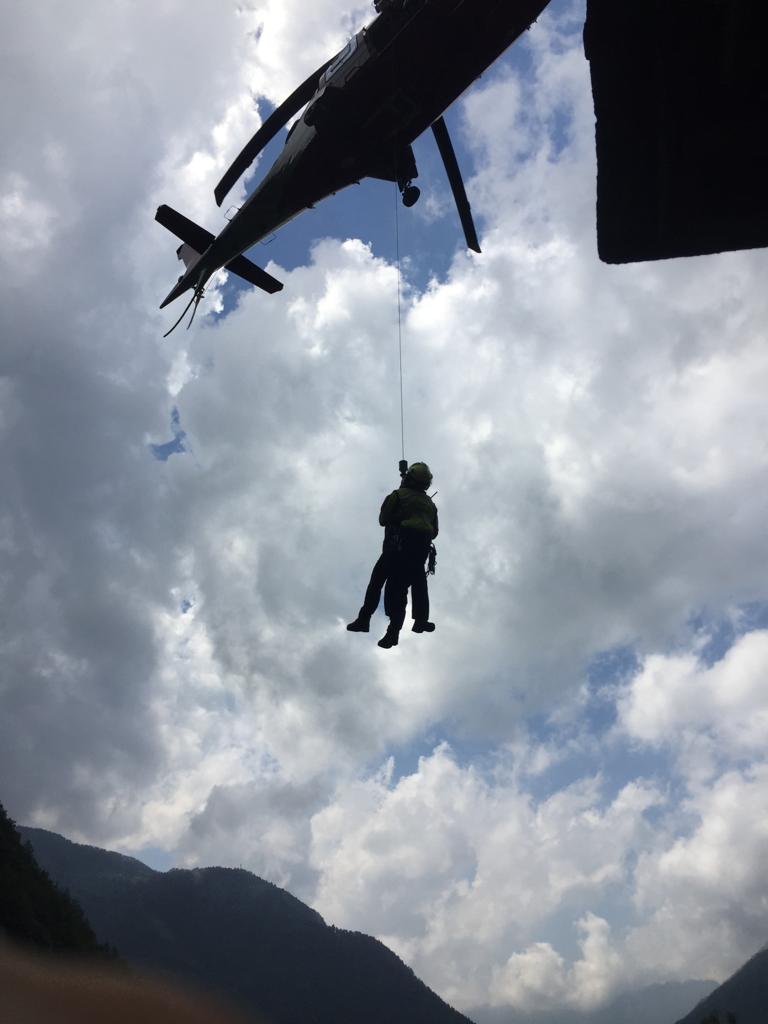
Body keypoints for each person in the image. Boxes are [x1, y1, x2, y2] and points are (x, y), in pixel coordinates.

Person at [376, 462, 438, 649]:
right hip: (419, 551)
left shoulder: (399, 496)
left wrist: (400, 518)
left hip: (399, 550)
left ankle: (393, 632)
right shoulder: (430, 505)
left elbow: (383, 520)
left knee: (396, 590)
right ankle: (420, 620)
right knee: (418, 585)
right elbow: (434, 532)